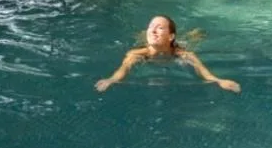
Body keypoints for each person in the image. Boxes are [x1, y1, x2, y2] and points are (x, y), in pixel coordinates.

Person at [95, 15, 240, 93]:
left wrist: (219, 81)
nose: (153, 30)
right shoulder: (137, 53)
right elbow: (124, 68)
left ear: (171, 36)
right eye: (151, 27)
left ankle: (195, 33)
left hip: (175, 46)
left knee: (194, 38)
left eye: (159, 28)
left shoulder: (183, 54)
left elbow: (204, 72)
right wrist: (111, 80)